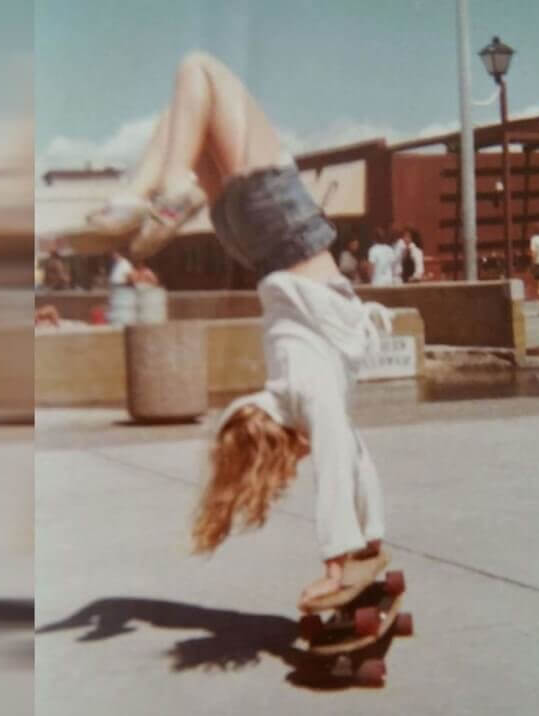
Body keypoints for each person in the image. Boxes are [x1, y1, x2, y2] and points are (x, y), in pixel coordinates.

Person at [83, 52, 391, 609]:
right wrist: (366, 540)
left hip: (279, 233)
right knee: (190, 101)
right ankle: (154, 189)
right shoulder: (301, 393)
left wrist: (339, 557)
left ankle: (152, 189)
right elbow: (348, 454)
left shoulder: (306, 392)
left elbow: (339, 462)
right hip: (259, 237)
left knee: (197, 78)